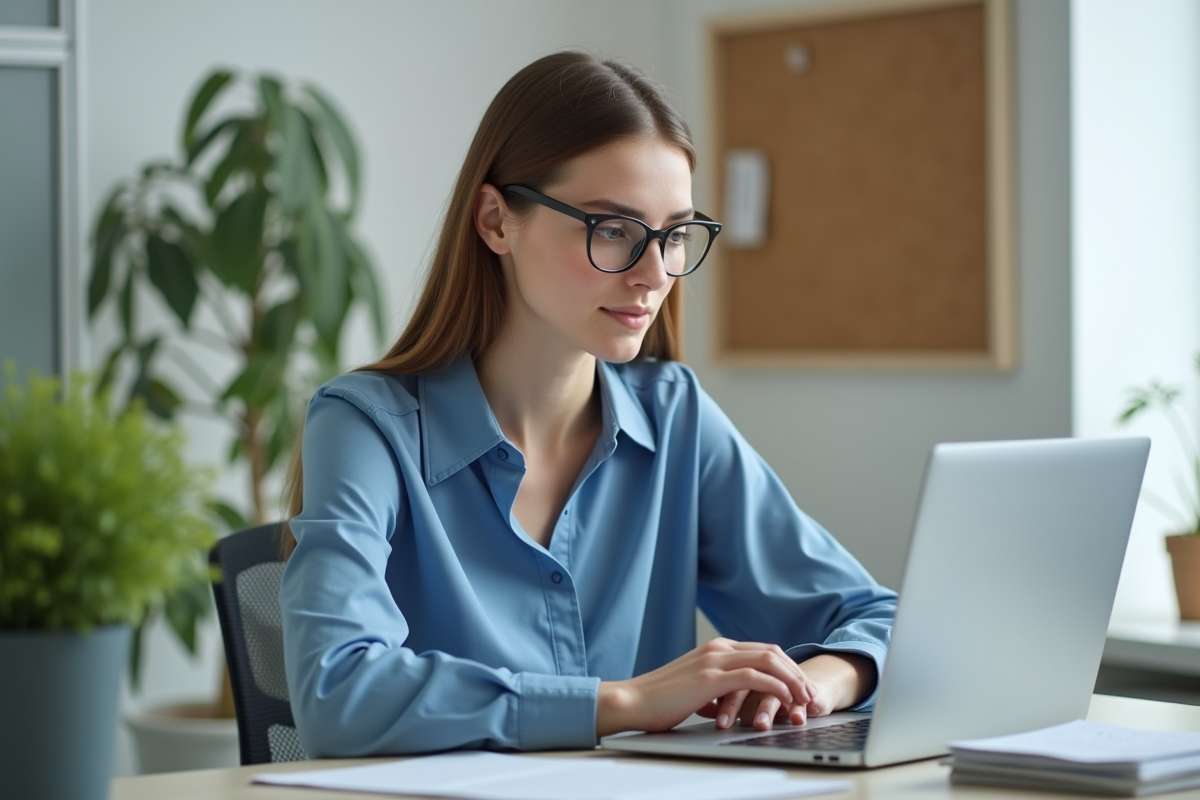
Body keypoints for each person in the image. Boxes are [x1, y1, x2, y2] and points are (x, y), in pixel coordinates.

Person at [279, 51, 897, 758]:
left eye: (673, 236)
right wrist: (626, 703)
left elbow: (875, 616)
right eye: (613, 231)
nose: (654, 273)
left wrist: (812, 684)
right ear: (496, 222)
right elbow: (338, 692)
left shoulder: (676, 417)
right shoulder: (364, 426)